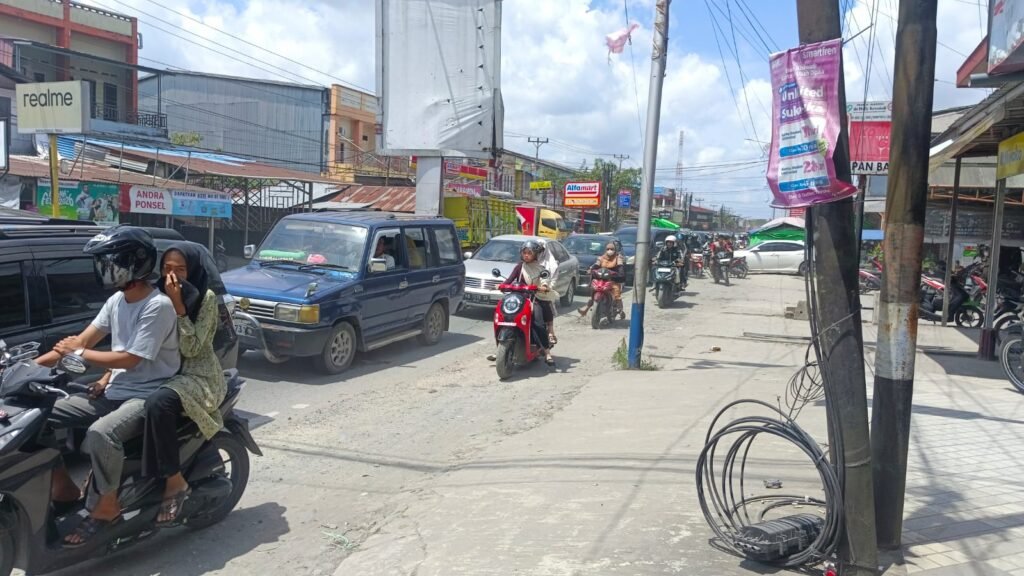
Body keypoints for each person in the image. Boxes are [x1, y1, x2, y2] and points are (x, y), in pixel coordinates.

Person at [36, 226, 180, 547]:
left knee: (101, 433)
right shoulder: (117, 300)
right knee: (39, 411)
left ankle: (106, 506)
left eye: (110, 263)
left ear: (134, 264)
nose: (104, 270)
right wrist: (28, 370)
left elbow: (130, 359)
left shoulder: (158, 306)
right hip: (115, 388)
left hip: (146, 393)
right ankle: (64, 489)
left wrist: (79, 352)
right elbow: (83, 340)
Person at [143, 243, 227, 525]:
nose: (173, 276)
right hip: (160, 369)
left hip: (196, 374)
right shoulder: (154, 295)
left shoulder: (207, 298)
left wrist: (179, 305)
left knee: (158, 403)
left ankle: (174, 480)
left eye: (180, 270)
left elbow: (192, 348)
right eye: (167, 269)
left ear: (192, 270)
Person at [488, 240, 557, 366]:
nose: (526, 255)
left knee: (538, 323)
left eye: (529, 253)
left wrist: (544, 286)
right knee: (504, 317)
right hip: (518, 299)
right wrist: (501, 285)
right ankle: (499, 349)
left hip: (533, 299)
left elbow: (545, 279)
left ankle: (547, 352)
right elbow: (509, 280)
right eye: (524, 253)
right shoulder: (520, 267)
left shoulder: (541, 269)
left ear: (535, 254)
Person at [577, 241, 626, 319]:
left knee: (616, 292)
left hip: (612, 280)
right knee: (594, 290)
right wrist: (591, 270)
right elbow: (596, 266)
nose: (610, 251)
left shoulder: (618, 258)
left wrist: (620, 273)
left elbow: (621, 269)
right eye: (608, 249)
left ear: (615, 250)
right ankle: (585, 310)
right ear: (605, 250)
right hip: (601, 279)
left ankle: (620, 310)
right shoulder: (601, 258)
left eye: (612, 249)